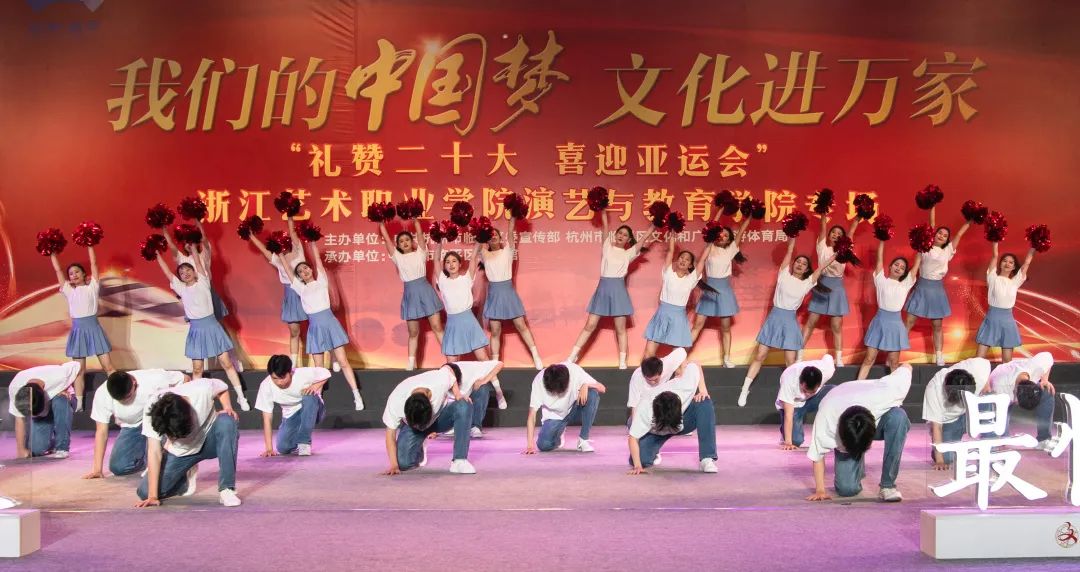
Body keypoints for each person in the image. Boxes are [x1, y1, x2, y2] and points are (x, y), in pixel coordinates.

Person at [739, 235, 833, 407]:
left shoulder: (807, 283)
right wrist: (792, 239)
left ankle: (795, 394)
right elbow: (789, 253)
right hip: (775, 318)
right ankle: (745, 389)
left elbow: (822, 266)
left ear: (807, 269)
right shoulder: (783, 275)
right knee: (760, 355)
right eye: (798, 262)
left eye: (804, 264)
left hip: (790, 321)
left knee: (790, 362)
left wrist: (838, 253)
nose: (800, 264)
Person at [152, 247, 248, 410]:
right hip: (196, 331)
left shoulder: (203, 281)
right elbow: (167, 272)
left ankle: (241, 397)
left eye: (188, 270)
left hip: (212, 327)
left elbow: (198, 262)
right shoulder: (181, 288)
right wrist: (157, 255)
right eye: (182, 272)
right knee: (197, 368)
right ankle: (197, 401)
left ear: (195, 272)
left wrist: (193, 248)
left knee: (226, 363)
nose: (185, 273)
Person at [277, 241, 364, 410]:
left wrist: (312, 243)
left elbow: (318, 260)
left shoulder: (322, 281)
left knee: (343, 362)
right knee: (319, 369)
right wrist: (280, 254)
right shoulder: (300, 289)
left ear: (311, 270)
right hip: (315, 328)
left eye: (306, 268)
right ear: (299, 277)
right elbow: (288, 271)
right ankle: (318, 400)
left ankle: (356, 395)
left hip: (330, 324)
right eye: (300, 271)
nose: (304, 271)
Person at [806, 364, 912, 503]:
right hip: (839, 409)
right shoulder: (826, 418)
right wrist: (820, 490)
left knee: (898, 417)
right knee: (847, 490)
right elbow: (817, 454)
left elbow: (907, 367)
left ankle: (888, 485)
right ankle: (856, 462)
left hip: (875, 410)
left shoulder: (890, 391)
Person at [567, 209, 657, 369]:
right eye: (619, 233)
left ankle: (622, 361)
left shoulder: (629, 253)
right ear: (615, 235)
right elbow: (605, 226)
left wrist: (655, 223)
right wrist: (602, 210)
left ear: (628, 240)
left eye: (625, 235)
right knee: (590, 325)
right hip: (603, 289)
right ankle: (572, 356)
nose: (621, 236)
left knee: (620, 328)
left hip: (618, 291)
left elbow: (645, 237)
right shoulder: (607, 246)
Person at [135, 377, 241, 508]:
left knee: (227, 421)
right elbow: (154, 451)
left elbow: (222, 387)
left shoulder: (202, 389)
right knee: (144, 492)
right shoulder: (153, 409)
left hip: (210, 441)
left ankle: (227, 489)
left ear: (190, 413)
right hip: (181, 453)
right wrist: (153, 496)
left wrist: (227, 407)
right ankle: (185, 480)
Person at [432, 241, 507, 409]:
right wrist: (439, 241)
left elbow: (473, 257)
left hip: (469, 322)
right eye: (448, 262)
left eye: (454, 261)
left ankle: (499, 393)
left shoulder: (466, 278)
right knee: (450, 366)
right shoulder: (442, 280)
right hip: (453, 325)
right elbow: (435, 259)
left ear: (460, 264)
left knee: (485, 360)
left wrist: (479, 240)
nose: (451, 264)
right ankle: (452, 401)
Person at [84, 369, 186, 478]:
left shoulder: (154, 378)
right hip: (132, 426)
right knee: (118, 467)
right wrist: (97, 469)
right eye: (120, 400)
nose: (124, 401)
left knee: (163, 464)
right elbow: (101, 432)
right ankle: (146, 461)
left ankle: (161, 461)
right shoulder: (102, 394)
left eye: (128, 396)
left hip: (155, 420)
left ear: (134, 383)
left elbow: (185, 379)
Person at [50, 246, 115, 411]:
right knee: (78, 371)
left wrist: (90, 245)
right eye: (71, 273)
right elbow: (58, 270)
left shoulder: (92, 287)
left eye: (77, 272)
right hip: (78, 332)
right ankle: (78, 403)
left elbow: (94, 263)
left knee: (108, 367)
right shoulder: (68, 290)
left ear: (84, 274)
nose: (74, 275)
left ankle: (119, 394)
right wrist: (52, 253)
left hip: (94, 329)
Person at [905, 205, 971, 365]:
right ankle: (894, 351)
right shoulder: (925, 246)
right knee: (909, 321)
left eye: (945, 235)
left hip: (936, 289)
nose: (942, 235)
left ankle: (939, 355)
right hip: (922, 287)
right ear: (933, 235)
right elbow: (932, 223)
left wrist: (970, 220)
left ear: (947, 239)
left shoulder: (948, 250)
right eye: (939, 233)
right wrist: (933, 205)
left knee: (937, 325)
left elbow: (960, 234)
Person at [382, 364, 476, 475]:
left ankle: (459, 461)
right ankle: (419, 448)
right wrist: (394, 465)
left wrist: (457, 394)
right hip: (413, 429)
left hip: (439, 419)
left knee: (463, 404)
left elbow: (450, 372)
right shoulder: (396, 400)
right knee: (404, 464)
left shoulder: (439, 381)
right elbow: (390, 434)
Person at [377, 219, 444, 370]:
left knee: (437, 327)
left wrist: (415, 220)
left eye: (407, 239)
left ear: (412, 242)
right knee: (413, 332)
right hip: (410, 295)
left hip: (425, 291)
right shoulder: (397, 257)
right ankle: (411, 363)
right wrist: (381, 223)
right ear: (398, 246)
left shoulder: (420, 253)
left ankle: (450, 358)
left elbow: (420, 234)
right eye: (401, 241)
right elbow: (387, 240)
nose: (405, 242)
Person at [627, 362, 717, 474]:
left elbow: (695, 365)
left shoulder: (685, 387)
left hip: (682, 423)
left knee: (704, 402)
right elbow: (633, 437)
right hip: (655, 432)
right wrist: (637, 466)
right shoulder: (645, 408)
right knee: (640, 460)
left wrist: (703, 391)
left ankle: (707, 458)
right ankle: (653, 452)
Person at [481, 214, 544, 370]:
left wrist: (513, 216)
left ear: (500, 238)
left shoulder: (507, 251)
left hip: (508, 292)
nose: (493, 237)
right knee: (495, 330)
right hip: (494, 295)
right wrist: (482, 228)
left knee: (521, 325)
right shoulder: (485, 254)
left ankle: (536, 356)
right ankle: (494, 363)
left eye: (496, 235)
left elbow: (510, 232)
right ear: (487, 240)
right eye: (490, 236)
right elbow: (480, 240)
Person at [799, 214, 861, 364]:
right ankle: (799, 355)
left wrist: (858, 218)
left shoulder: (844, 251)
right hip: (821, 287)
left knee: (836, 326)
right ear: (828, 235)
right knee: (811, 322)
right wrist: (823, 212)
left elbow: (852, 231)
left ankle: (839, 360)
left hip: (837, 289)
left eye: (839, 234)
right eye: (833, 232)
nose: (836, 235)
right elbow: (823, 226)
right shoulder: (822, 247)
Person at [856, 238, 920, 380]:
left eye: (902, 267)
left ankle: (894, 390)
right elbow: (879, 259)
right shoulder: (881, 280)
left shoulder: (905, 284)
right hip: (879, 322)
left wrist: (921, 248)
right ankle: (857, 385)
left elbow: (916, 265)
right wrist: (882, 240)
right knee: (869, 359)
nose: (898, 268)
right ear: (890, 267)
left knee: (894, 362)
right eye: (896, 265)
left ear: (904, 272)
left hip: (895, 325)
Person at [692, 216, 751, 368]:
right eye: (720, 233)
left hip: (724, 291)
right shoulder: (710, 246)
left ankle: (726, 359)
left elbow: (742, 230)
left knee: (725, 328)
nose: (722, 236)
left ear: (729, 240)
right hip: (709, 289)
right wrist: (721, 209)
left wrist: (750, 216)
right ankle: (681, 356)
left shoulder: (731, 249)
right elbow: (712, 225)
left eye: (726, 235)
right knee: (697, 325)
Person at [249, 217, 308, 367]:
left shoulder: (298, 250)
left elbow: (292, 231)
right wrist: (251, 235)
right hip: (291, 295)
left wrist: (289, 215)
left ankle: (333, 357)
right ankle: (293, 365)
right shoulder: (277, 258)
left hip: (307, 290)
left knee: (319, 326)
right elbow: (263, 250)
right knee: (294, 332)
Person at [642, 233, 707, 360]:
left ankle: (678, 373)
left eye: (687, 259)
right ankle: (647, 372)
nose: (683, 260)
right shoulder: (668, 273)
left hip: (678, 318)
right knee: (648, 354)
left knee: (678, 358)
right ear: (677, 260)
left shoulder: (691, 279)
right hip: (662, 315)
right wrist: (672, 232)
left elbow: (702, 260)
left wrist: (710, 242)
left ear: (690, 265)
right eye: (681, 257)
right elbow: (671, 251)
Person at [920, 357, 992, 469]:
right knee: (947, 458)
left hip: (971, 411)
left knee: (990, 399)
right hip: (950, 421)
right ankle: (946, 445)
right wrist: (940, 461)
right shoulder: (933, 389)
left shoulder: (978, 367)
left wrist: (986, 385)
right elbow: (937, 427)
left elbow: (985, 367)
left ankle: (990, 446)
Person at [255, 355, 331, 457]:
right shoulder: (266, 385)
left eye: (283, 378)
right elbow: (267, 417)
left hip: (314, 410)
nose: (279, 382)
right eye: (275, 378)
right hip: (292, 415)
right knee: (283, 448)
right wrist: (269, 448)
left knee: (309, 396)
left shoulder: (301, 374)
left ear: (290, 372)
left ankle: (304, 442)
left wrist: (314, 386)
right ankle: (297, 440)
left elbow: (326, 373)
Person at [523, 362, 606, 454]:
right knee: (543, 446)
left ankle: (583, 440)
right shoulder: (538, 382)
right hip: (555, 416)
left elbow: (602, 388)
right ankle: (558, 436)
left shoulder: (574, 371)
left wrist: (586, 385)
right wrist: (530, 446)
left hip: (575, 410)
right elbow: (532, 415)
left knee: (592, 393)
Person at [975, 243, 1035, 363]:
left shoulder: (1015, 281)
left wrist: (1034, 245)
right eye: (1004, 261)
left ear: (1014, 267)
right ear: (1000, 264)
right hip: (992, 319)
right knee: (978, 359)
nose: (1007, 263)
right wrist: (995, 241)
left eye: (1011, 262)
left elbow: (1027, 262)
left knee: (1007, 362)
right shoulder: (992, 278)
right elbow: (995, 255)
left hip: (1007, 321)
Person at [8, 361, 80, 459]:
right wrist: (21, 449)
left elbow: (78, 366)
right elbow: (19, 419)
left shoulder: (59, 375)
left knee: (60, 400)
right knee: (36, 450)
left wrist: (72, 392)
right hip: (42, 409)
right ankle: (51, 441)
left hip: (64, 399)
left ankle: (62, 447)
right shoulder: (15, 388)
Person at [986, 351, 1056, 448]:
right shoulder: (1000, 387)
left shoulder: (1036, 367)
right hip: (999, 390)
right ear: (1015, 393)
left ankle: (1044, 439)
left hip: (1017, 377)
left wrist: (1044, 380)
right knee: (1001, 437)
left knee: (1046, 391)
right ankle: (998, 439)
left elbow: (1048, 356)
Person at [775, 355, 837, 450]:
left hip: (813, 400)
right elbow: (789, 415)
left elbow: (828, 357)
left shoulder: (827, 370)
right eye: (804, 390)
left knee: (835, 391)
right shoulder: (789, 381)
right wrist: (788, 443)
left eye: (811, 391)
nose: (807, 394)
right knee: (795, 441)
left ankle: (833, 433)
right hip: (794, 405)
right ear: (801, 382)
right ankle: (784, 431)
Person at [444, 360, 504, 438]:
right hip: (452, 400)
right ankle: (452, 426)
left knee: (483, 388)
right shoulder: (441, 378)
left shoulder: (473, 369)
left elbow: (500, 364)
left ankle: (475, 426)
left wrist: (484, 381)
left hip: (471, 395)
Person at [626, 347, 687, 421]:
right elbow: (634, 405)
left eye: (656, 379)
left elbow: (682, 351)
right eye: (649, 380)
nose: (653, 382)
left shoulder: (667, 364)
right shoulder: (637, 377)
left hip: (659, 408)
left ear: (661, 372)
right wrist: (635, 426)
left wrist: (682, 371)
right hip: (643, 410)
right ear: (644, 375)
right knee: (633, 422)